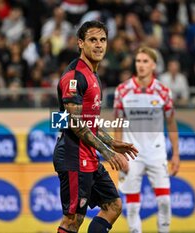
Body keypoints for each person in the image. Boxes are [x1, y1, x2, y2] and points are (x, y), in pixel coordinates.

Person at [53, 20, 138, 233]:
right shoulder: (74, 76)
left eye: (103, 40)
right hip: (73, 155)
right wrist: (107, 151)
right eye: (92, 40)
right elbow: (73, 122)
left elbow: (88, 121)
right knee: (72, 220)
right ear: (81, 43)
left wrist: (111, 141)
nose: (99, 45)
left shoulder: (93, 75)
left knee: (113, 205)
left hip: (88, 155)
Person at [114, 46, 180, 233]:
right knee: (133, 205)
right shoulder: (122, 90)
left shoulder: (163, 91)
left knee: (165, 201)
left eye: (145, 61)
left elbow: (172, 124)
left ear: (153, 65)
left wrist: (175, 155)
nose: (140, 65)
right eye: (138, 61)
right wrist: (120, 154)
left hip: (157, 152)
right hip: (131, 153)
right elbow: (118, 124)